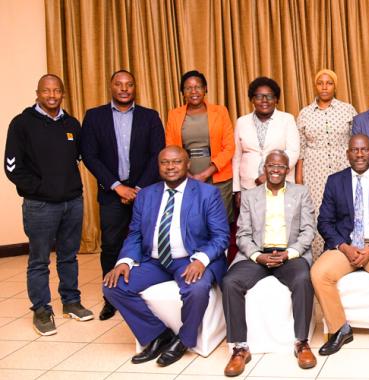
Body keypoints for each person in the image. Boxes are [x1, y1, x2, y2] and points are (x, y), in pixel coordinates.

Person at [102, 146, 230, 367]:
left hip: (189, 259)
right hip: (154, 260)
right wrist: (124, 261)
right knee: (113, 286)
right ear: (158, 165)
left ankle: (183, 340)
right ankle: (159, 335)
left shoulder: (207, 193)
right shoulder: (146, 195)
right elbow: (135, 233)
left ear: (187, 164)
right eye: (165, 162)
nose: (171, 167)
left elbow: (220, 236)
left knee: (196, 289)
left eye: (177, 162)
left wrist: (201, 260)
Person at [5, 74, 93, 335]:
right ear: (38, 93)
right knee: (39, 260)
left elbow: (77, 158)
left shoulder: (72, 124)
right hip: (40, 206)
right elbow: (12, 167)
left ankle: (71, 302)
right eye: (47, 91)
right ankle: (42, 310)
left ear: (63, 93)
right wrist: (40, 189)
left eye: (57, 91)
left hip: (72, 203)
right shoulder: (22, 124)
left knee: (68, 256)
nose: (52, 95)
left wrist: (68, 189)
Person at [222, 150, 317, 376]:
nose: (276, 169)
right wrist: (257, 256)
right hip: (257, 255)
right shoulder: (249, 196)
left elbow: (308, 230)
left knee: (303, 279)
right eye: (271, 165)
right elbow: (242, 235)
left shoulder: (301, 192)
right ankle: (239, 348)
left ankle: (301, 343)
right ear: (264, 168)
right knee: (230, 281)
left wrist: (290, 254)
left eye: (281, 166)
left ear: (288, 170)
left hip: (289, 254)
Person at [81, 70, 166, 321]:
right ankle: (112, 296)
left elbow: (157, 154)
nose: (124, 89)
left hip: (145, 192)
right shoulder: (94, 117)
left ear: (135, 88)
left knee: (148, 243)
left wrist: (138, 189)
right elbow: (89, 155)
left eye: (129, 85)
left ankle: (142, 290)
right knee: (111, 245)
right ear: (111, 87)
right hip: (111, 193)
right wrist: (116, 186)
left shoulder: (150, 117)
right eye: (119, 84)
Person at [313, 134, 369, 358]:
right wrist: (344, 247)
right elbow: (324, 222)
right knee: (318, 273)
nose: (360, 154)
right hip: (346, 246)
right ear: (348, 154)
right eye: (355, 150)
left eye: (364, 150)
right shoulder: (335, 181)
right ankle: (339, 329)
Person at [295, 69, 358, 259]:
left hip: (343, 168)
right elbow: (301, 150)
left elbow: (356, 143)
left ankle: (348, 256)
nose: (324, 87)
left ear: (335, 85)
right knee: (318, 216)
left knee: (346, 210)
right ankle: (318, 261)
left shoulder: (347, 110)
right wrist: (299, 180)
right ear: (315, 86)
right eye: (320, 83)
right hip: (315, 173)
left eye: (329, 83)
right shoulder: (305, 113)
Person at [165, 70, 235, 217]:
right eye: (188, 88)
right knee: (192, 221)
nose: (193, 91)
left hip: (218, 176)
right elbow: (170, 148)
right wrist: (186, 174)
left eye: (198, 87)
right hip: (185, 176)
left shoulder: (220, 111)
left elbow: (229, 146)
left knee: (219, 222)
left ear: (205, 89)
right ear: (182, 92)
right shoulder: (174, 114)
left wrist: (206, 173)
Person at [232, 77, 300, 194]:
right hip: (248, 186)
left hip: (281, 185)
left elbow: (293, 152)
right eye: (258, 96)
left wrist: (269, 174)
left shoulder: (287, 119)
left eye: (269, 96)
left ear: (276, 99)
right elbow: (236, 157)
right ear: (252, 99)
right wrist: (237, 189)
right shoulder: (242, 122)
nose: (264, 100)